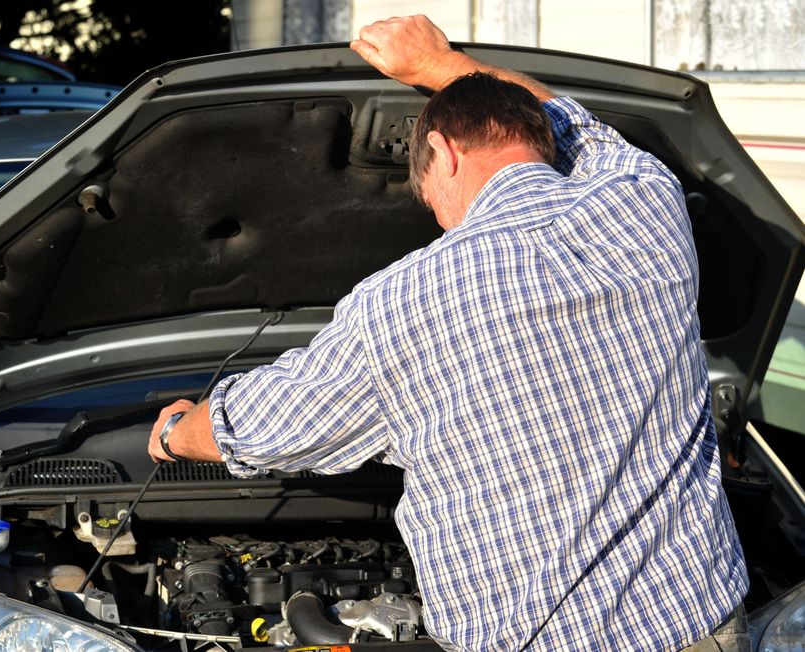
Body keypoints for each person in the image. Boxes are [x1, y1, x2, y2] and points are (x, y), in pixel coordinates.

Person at [148, 15, 748, 651]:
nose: (434, 212)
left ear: (446, 151)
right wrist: (438, 64)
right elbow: (572, 121)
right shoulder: (643, 200)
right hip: (702, 625)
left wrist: (174, 432)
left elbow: (266, 425)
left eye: (426, 189)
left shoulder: (404, 301)